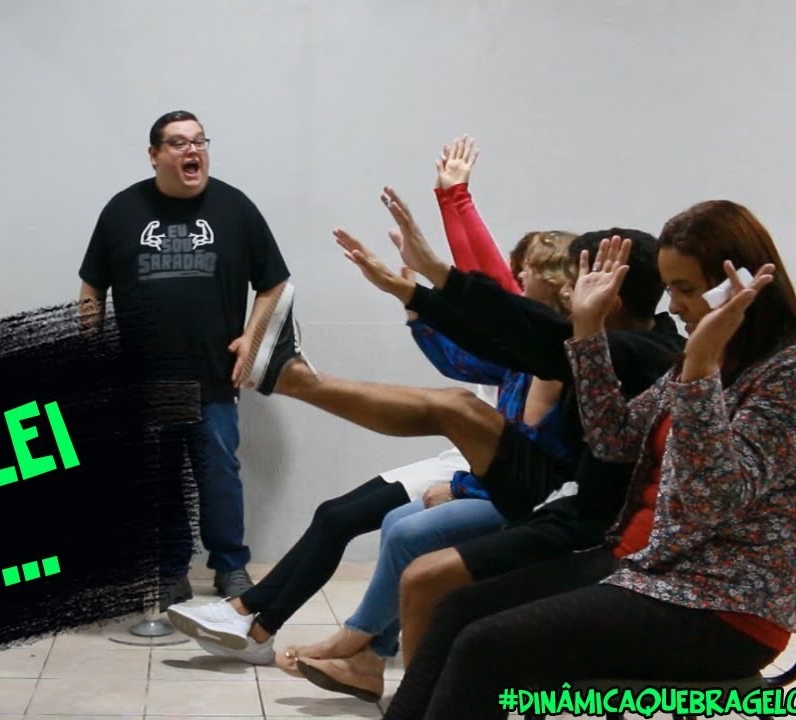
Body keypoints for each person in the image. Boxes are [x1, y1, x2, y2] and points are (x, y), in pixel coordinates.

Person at [164, 137, 580, 680]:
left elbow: (489, 289)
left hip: (484, 474)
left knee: (372, 517)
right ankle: (259, 621)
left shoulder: (558, 356)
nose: (517, 276)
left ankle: (294, 631)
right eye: (517, 269)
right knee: (339, 514)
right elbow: (462, 356)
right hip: (469, 463)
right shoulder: (525, 355)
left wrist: (455, 200)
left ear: (557, 282)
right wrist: (413, 303)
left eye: (529, 271)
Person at [382, 202, 796, 720]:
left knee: (485, 645)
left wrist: (699, 371)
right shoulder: (710, 359)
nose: (675, 306)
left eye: (686, 289)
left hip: (724, 604)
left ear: (738, 285)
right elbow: (614, 441)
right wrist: (587, 332)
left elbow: (714, 497)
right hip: (646, 569)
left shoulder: (792, 374)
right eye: (669, 289)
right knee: (457, 608)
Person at [77, 109, 303, 603]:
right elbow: (92, 286)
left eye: (199, 141)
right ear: (154, 155)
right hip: (146, 377)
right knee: (161, 477)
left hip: (213, 375)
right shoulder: (122, 211)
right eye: (179, 143)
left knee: (219, 473)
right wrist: (91, 353)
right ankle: (170, 570)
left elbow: (274, 283)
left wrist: (252, 337)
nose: (193, 150)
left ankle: (230, 566)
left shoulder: (235, 208)